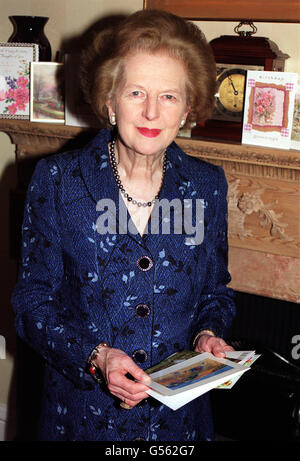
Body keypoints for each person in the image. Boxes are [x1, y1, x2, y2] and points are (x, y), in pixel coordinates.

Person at [12, 9, 236, 441]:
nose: (152, 111)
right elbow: (32, 303)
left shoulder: (207, 186)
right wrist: (96, 357)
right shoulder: (59, 181)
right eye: (136, 92)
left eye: (169, 96)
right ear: (109, 100)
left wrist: (209, 334)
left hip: (179, 423)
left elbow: (216, 291)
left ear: (188, 107)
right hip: (82, 418)